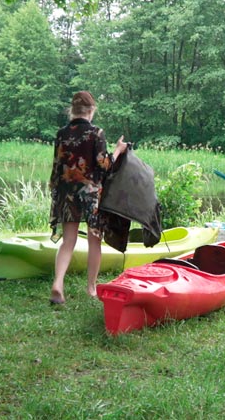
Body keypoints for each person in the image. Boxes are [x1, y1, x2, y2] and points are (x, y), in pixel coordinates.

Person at [49, 91, 127, 303]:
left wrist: (55, 189)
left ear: (72, 111)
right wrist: (118, 150)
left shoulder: (61, 133)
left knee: (68, 241)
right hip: (90, 193)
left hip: (66, 191)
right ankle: (91, 288)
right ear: (91, 111)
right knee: (94, 240)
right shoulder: (96, 133)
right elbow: (105, 165)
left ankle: (58, 283)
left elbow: (57, 166)